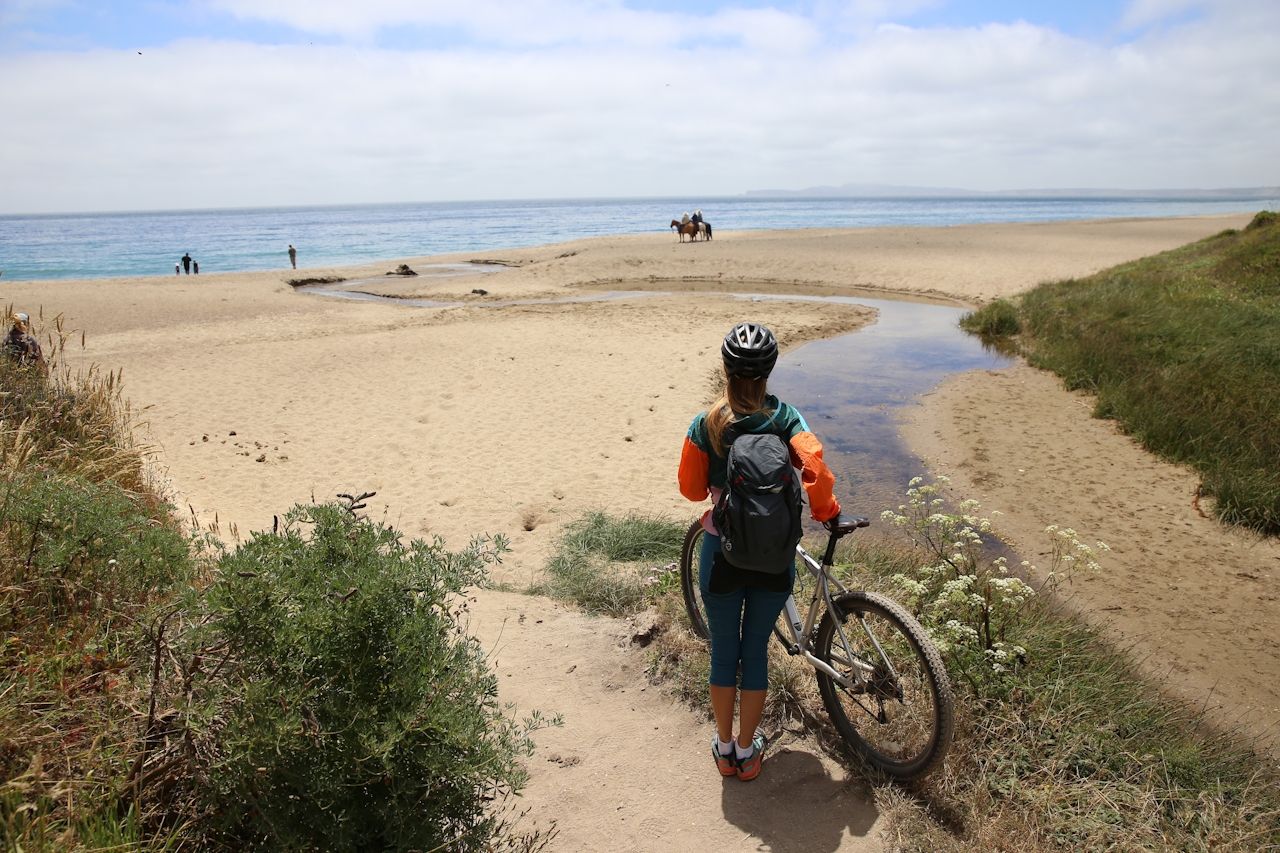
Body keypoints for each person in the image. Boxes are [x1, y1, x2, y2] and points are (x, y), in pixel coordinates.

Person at [678, 322, 841, 781]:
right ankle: (749, 753)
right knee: (756, 652)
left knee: (724, 652)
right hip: (774, 558)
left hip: (720, 553)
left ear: (726, 369)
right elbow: (817, 472)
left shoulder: (705, 423)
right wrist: (826, 511)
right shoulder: (788, 418)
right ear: (769, 370)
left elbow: (691, 490)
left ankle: (725, 749)